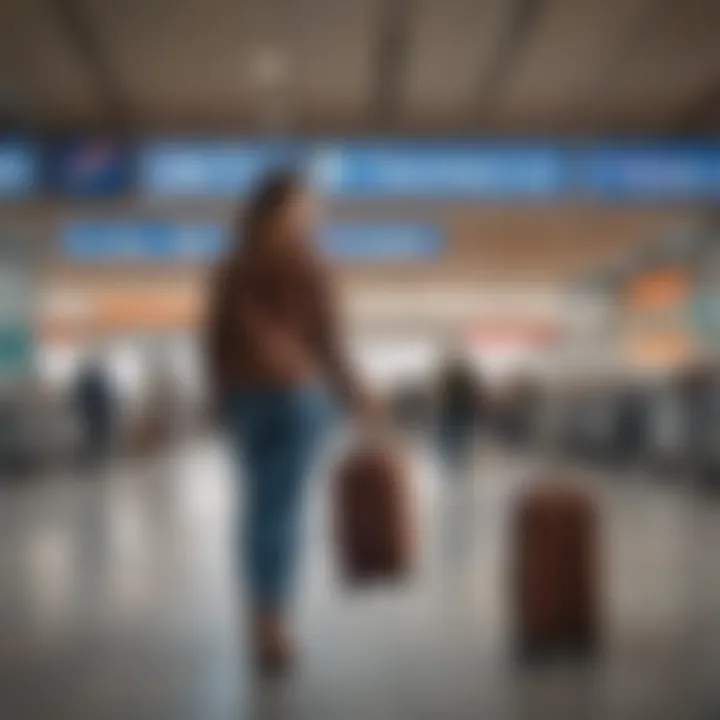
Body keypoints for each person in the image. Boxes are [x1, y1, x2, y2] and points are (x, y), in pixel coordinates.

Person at [206, 171, 368, 675]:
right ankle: (274, 623)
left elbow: (214, 338)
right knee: (284, 512)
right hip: (298, 393)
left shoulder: (233, 264)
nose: (313, 213)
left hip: (249, 398)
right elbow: (329, 340)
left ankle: (260, 618)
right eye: (307, 205)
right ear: (290, 209)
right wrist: (357, 396)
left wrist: (220, 396)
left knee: (258, 510)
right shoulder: (309, 261)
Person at [435, 353, 482, 479]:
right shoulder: (464, 379)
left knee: (453, 444)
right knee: (459, 444)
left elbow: (441, 397)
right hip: (458, 417)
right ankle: (457, 468)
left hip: (452, 417)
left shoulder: (449, 379)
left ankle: (452, 468)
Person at [72, 353, 116, 469]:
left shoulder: (95, 382)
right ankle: (97, 457)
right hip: (93, 414)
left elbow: (105, 398)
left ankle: (100, 456)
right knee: (94, 436)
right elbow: (81, 400)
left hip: (96, 414)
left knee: (98, 436)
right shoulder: (91, 383)